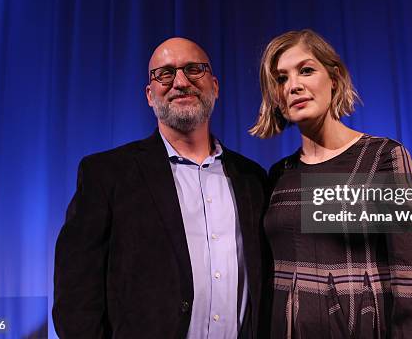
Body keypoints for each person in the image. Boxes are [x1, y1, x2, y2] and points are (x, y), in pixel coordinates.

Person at [54, 37, 269, 338]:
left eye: (194, 69)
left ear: (216, 86)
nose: (180, 82)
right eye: (165, 74)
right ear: (149, 95)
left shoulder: (253, 179)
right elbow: (75, 298)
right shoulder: (106, 175)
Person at [250, 29, 412, 338]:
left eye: (306, 70)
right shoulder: (278, 175)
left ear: (333, 78)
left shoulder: (384, 158)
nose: (294, 86)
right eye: (281, 79)